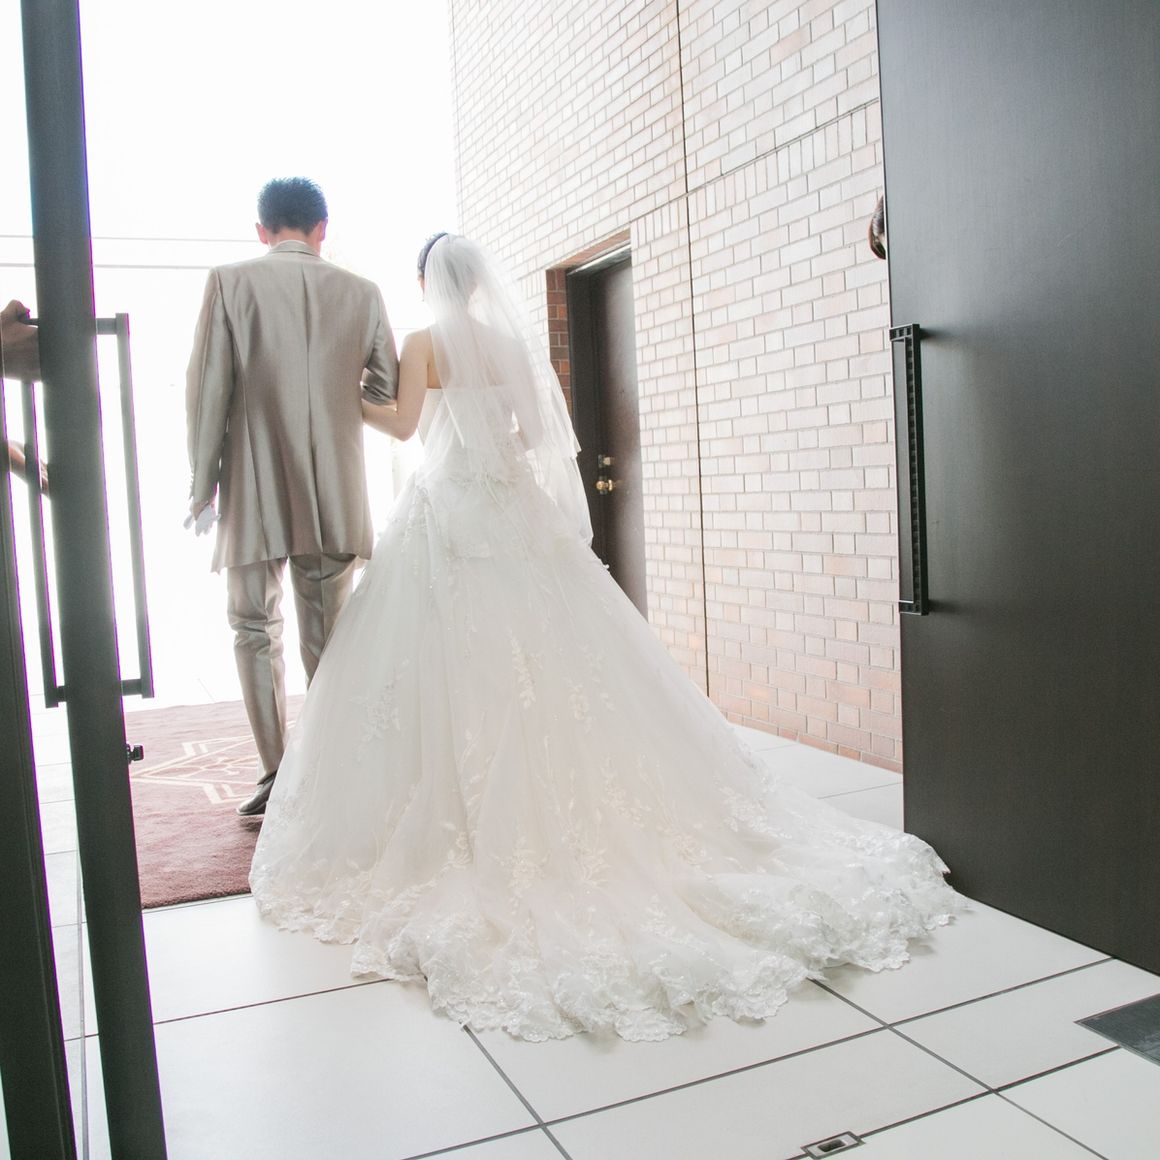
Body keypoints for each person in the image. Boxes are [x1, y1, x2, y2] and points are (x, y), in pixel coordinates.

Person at [250, 233, 961, 1042]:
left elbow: (405, 425)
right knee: (563, 659)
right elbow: (531, 435)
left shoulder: (422, 343)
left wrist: (348, 399)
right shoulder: (510, 345)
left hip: (449, 511)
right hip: (512, 510)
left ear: (424, 283)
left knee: (454, 667)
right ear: (479, 283)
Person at [186, 178, 399, 817]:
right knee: (329, 637)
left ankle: (277, 774)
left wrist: (202, 485)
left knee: (253, 628)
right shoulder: (363, 292)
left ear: (262, 229)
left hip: (253, 487)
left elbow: (208, 391)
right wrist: (329, 395)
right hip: (335, 490)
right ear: (322, 228)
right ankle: (334, 769)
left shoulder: (229, 282)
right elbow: (385, 390)